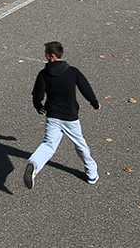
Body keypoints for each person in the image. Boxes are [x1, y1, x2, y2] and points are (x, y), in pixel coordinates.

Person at [23, 41, 100, 189]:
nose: (44, 56)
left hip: (52, 116)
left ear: (51, 56)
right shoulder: (72, 72)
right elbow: (85, 88)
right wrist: (94, 103)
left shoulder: (44, 74)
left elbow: (37, 94)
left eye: (45, 53)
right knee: (80, 144)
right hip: (70, 116)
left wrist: (38, 105)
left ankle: (35, 163)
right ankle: (91, 173)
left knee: (48, 144)